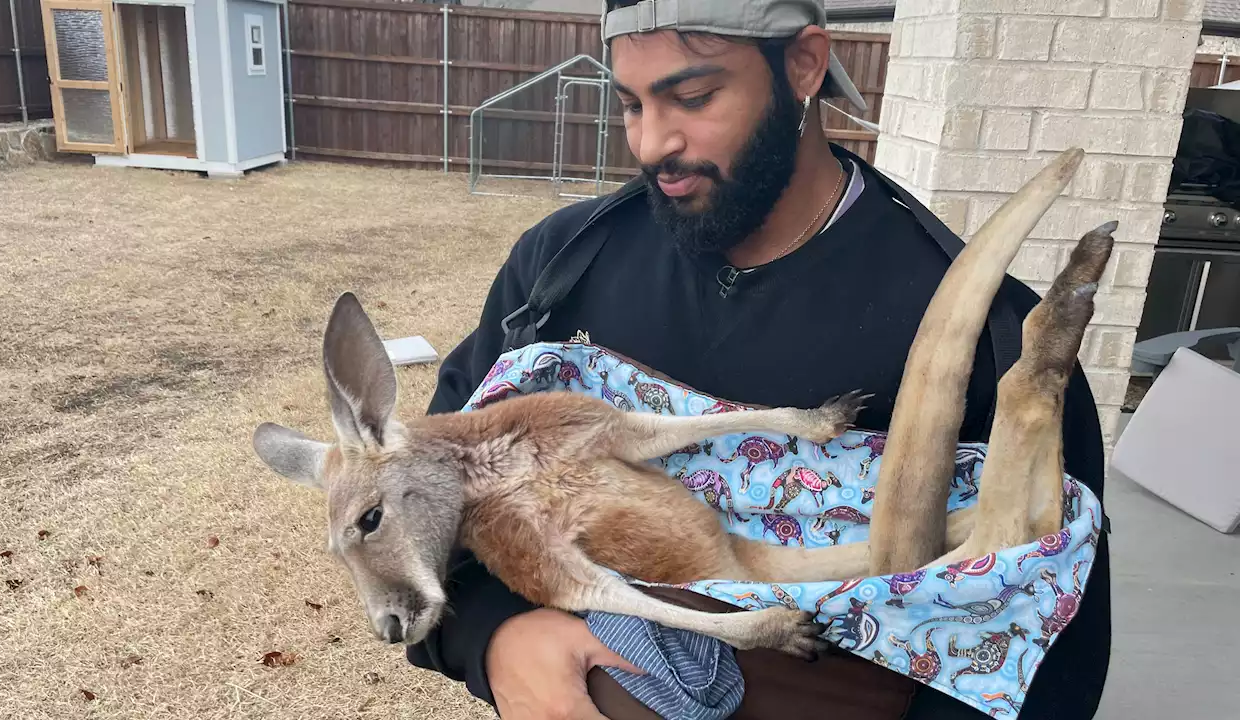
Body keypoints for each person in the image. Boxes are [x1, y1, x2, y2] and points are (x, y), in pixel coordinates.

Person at [406, 1, 1113, 718]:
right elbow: (427, 497)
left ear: (803, 64)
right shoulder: (559, 268)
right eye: (630, 104)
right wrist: (499, 637)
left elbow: (1049, 639)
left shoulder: (992, 335)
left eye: (694, 97)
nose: (653, 143)